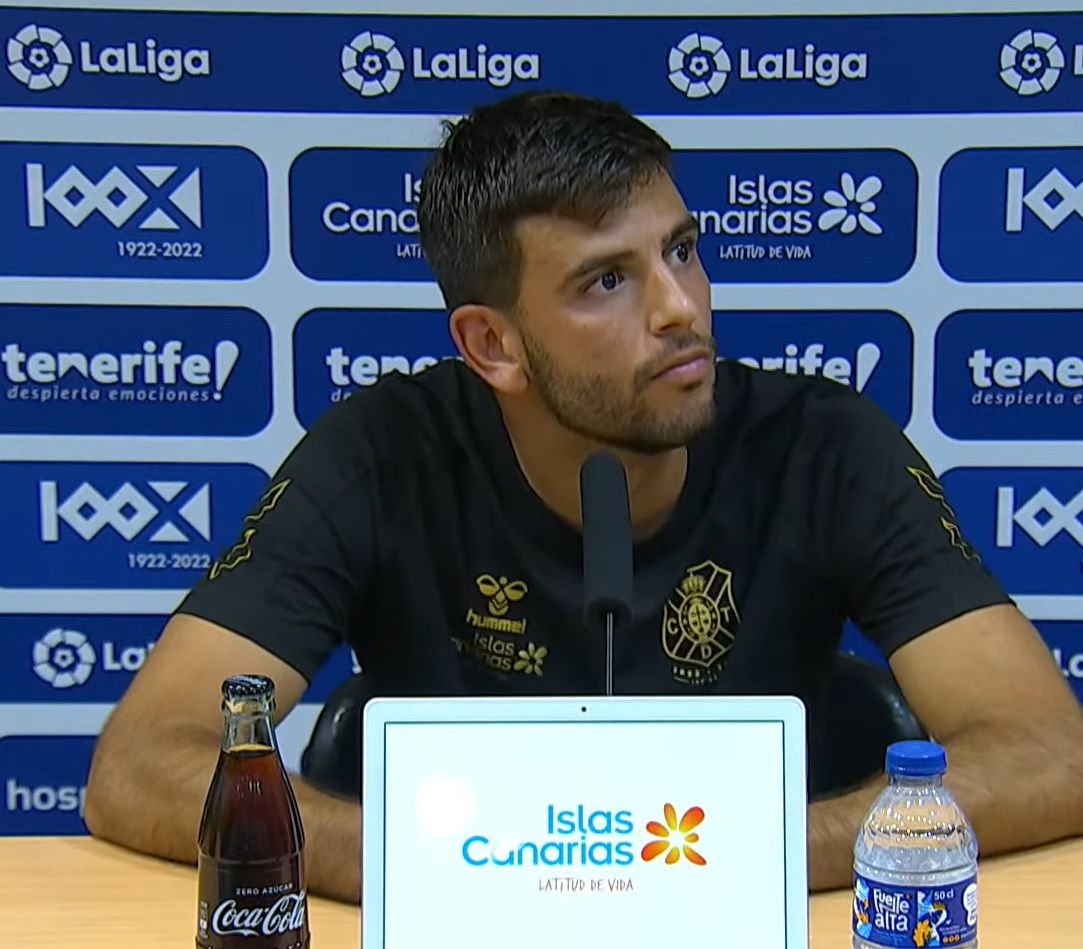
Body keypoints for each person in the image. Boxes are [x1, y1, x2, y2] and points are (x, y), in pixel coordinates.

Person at [84, 91, 1083, 903]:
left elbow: (1046, 749)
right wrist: (456, 866)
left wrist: (737, 855)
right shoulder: (379, 453)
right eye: (608, 281)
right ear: (493, 344)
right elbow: (141, 764)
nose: (680, 307)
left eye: (681, 250)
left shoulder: (826, 443)